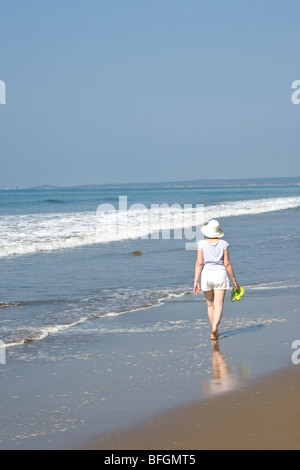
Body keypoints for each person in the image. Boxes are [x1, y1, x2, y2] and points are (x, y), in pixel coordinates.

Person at [194, 220, 239, 340]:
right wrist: (234, 280)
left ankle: (214, 329)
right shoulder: (224, 244)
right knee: (219, 304)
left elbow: (199, 263)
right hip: (220, 275)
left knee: (210, 305)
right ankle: (215, 327)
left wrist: (196, 281)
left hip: (206, 275)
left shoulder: (201, 244)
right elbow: (227, 264)